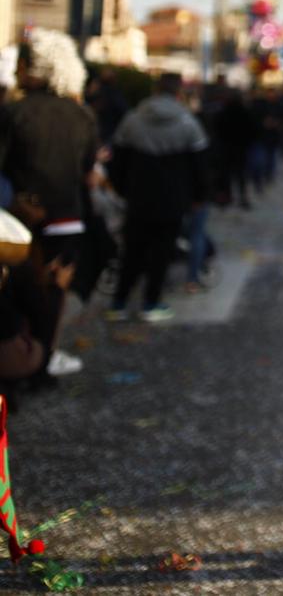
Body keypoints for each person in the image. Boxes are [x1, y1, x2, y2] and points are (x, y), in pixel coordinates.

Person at [0, 31, 99, 377]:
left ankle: (21, 355)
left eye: (23, 64)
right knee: (55, 290)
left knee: (17, 290)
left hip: (19, 219)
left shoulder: (14, 112)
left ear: (37, 68)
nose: (18, 71)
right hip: (67, 215)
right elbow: (88, 170)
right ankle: (45, 356)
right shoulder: (81, 115)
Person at [106, 73, 209, 322]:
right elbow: (200, 165)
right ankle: (151, 303)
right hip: (173, 198)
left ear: (154, 90)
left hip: (139, 196)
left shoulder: (132, 120)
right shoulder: (188, 123)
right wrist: (199, 196)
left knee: (132, 250)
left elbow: (117, 161)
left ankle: (119, 303)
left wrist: (122, 189)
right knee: (161, 253)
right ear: (178, 92)